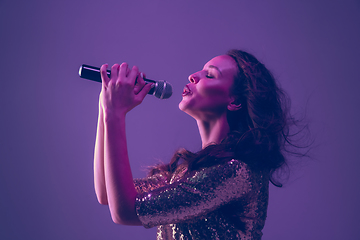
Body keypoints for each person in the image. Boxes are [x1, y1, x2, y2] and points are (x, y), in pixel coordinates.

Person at [93, 49, 296, 239]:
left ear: (234, 101)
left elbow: (126, 211)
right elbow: (107, 195)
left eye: (210, 75)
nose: (193, 75)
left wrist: (115, 114)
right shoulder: (185, 174)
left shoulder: (236, 171)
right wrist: (105, 106)